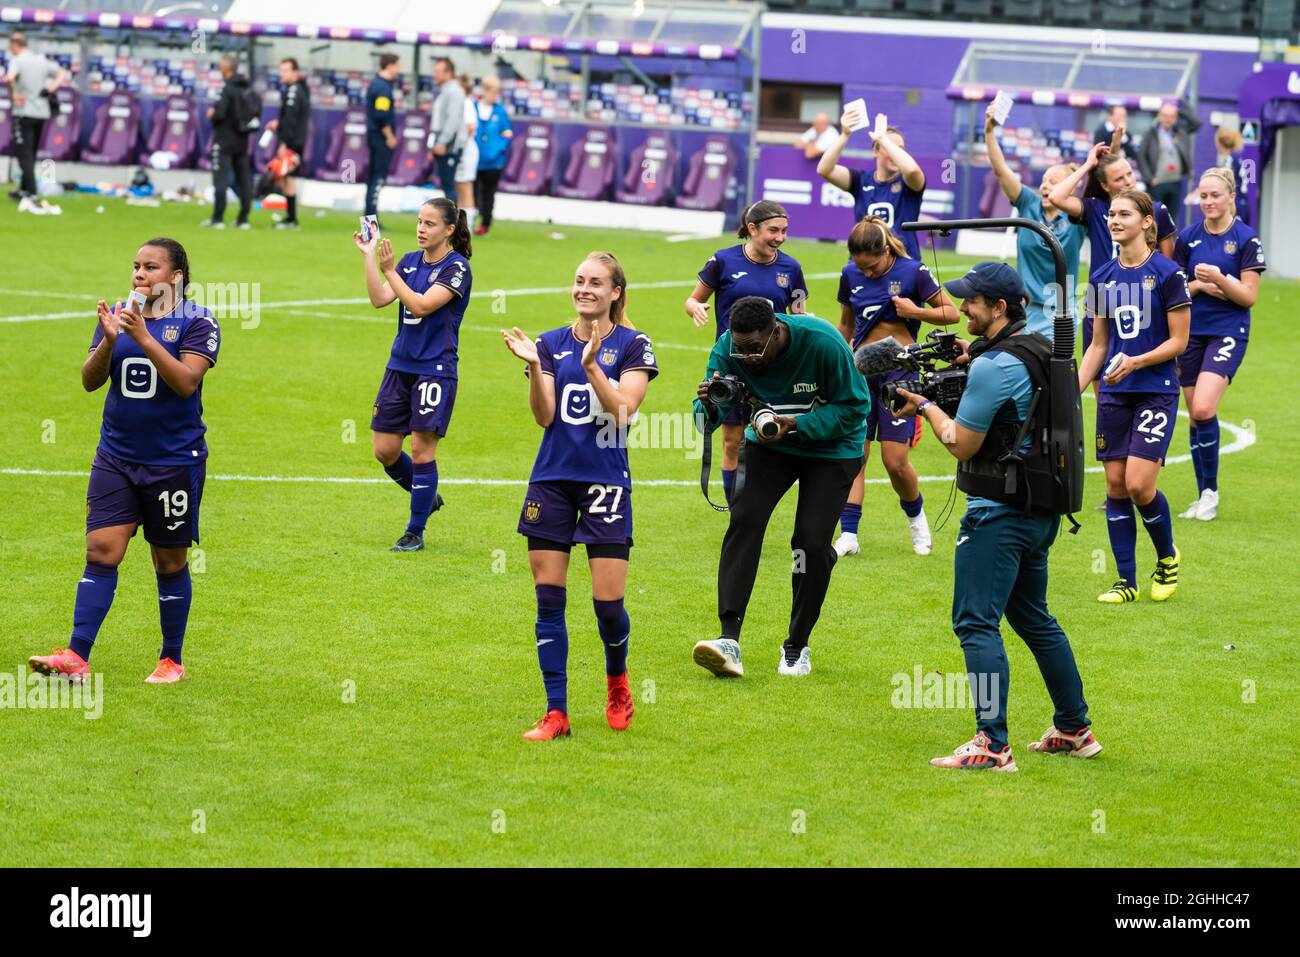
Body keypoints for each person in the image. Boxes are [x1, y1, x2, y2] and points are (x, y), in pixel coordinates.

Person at [890, 262, 1099, 772]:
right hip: (1039, 510)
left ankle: (992, 743)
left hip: (997, 515)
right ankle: (1074, 728)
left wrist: (923, 407)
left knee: (974, 622)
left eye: (971, 302)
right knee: (1033, 618)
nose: (960, 308)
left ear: (999, 308)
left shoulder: (992, 366)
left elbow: (961, 444)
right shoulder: (1043, 349)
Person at [28, 238, 217, 686]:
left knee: (168, 562)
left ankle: (172, 660)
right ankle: (76, 657)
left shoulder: (197, 321)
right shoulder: (118, 315)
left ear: (175, 277)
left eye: (150, 267)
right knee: (101, 552)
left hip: (173, 462)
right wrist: (109, 342)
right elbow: (90, 382)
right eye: (135, 266)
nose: (138, 274)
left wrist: (143, 337)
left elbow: (187, 382)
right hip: (115, 457)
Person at [502, 252, 658, 741]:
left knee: (608, 605)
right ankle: (556, 712)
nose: (584, 289)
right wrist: (533, 369)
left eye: (596, 282)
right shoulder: (548, 343)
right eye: (578, 281)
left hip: (606, 484)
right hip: (552, 481)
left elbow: (624, 413)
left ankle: (617, 682)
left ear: (615, 292)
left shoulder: (634, 345)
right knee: (548, 601)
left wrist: (592, 368)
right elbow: (545, 416)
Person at [691, 297, 871, 678]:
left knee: (808, 543)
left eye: (755, 348)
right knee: (745, 521)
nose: (749, 357)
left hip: (834, 448)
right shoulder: (728, 348)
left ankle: (796, 645)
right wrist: (707, 406)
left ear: (776, 331)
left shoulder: (823, 342)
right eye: (741, 349)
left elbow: (856, 407)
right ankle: (729, 639)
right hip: (771, 444)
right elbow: (708, 413)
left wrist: (798, 424)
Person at [1079, 190, 1190, 604]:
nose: (1114, 219)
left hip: (1155, 390)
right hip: (1114, 389)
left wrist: (1138, 361)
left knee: (1140, 485)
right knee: (1114, 485)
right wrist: (1071, 390)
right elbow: (1097, 345)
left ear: (1147, 222)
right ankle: (1126, 581)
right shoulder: (1101, 276)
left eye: (1124, 213)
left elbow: (1179, 341)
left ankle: (1166, 556)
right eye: (1110, 213)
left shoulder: (1168, 273)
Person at [833, 215, 958, 559]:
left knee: (895, 461)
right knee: (854, 455)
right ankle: (848, 535)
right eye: (863, 268)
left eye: (873, 267)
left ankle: (917, 520)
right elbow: (846, 324)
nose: (868, 274)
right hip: (860, 373)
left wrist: (916, 312)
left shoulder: (912, 271)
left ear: (886, 250)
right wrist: (836, 361)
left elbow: (952, 313)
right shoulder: (850, 273)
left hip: (899, 372)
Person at [355, 197, 472, 551]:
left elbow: (421, 305)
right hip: (399, 365)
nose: (421, 229)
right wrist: (369, 255)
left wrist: (391, 271)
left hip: (435, 370)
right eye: (420, 222)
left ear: (449, 230)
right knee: (385, 450)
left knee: (422, 451)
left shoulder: (458, 268)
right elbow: (379, 299)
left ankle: (414, 531)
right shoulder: (407, 261)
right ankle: (427, 495)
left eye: (430, 223)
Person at [685, 200, 808, 506]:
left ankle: (758, 499)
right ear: (752, 229)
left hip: (775, 366)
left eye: (784, 231)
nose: (780, 237)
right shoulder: (723, 261)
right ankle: (736, 509)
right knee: (732, 441)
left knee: (772, 436)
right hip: (732, 366)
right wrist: (696, 308)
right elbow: (692, 299)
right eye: (773, 230)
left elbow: (799, 316)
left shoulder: (791, 268)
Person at [1048, 141, 1177, 400]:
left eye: (1130, 173)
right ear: (1106, 186)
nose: (1128, 181)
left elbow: (1170, 262)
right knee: (1104, 394)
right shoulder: (1097, 209)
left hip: (1142, 304)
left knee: (1140, 382)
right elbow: (1056, 197)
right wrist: (1088, 164)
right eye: (1119, 178)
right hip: (1101, 301)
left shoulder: (1156, 210)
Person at [1173, 167, 1265, 522]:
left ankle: (1210, 492)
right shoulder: (1188, 237)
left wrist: (1221, 279)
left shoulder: (1245, 238)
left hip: (1227, 331)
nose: (1208, 202)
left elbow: (1248, 297)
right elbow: (1176, 287)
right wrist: (1197, 286)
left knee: (1202, 410)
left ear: (1230, 197)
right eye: (1203, 196)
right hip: (1190, 333)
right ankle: (1203, 495)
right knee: (1195, 418)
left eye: (1215, 195)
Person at [983, 102, 1084, 337]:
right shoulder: (1029, 203)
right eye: (1044, 180)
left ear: (1070, 189)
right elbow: (1001, 170)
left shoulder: (1077, 216)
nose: (1045, 186)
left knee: (1051, 371)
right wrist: (989, 131)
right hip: (1023, 311)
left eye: (1054, 182)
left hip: (1060, 313)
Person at [817, 107, 926, 260]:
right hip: (865, 262)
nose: (896, 153)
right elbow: (824, 169)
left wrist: (883, 140)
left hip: (904, 264)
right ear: (875, 151)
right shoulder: (861, 180)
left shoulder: (909, 181)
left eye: (900, 149)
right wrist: (845, 135)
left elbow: (913, 171)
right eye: (890, 147)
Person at [4, 31, 66, 205]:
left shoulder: (18, 61)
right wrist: (50, 89)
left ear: (15, 45)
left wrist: (14, 95)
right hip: (41, 113)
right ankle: (24, 189)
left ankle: (31, 193)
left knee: (24, 154)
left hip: (24, 112)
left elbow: (9, 79)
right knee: (31, 152)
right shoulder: (40, 60)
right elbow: (62, 73)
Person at [201, 54, 254, 230]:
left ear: (225, 68)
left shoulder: (225, 88)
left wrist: (212, 114)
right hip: (242, 140)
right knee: (244, 179)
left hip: (223, 139)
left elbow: (220, 113)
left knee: (220, 179)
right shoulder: (247, 88)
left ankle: (218, 218)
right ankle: (243, 219)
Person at [1138, 102, 1202, 230]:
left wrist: (1179, 110)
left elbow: (1197, 123)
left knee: (1171, 218)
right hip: (1157, 183)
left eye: (1172, 116)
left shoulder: (1180, 131)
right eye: (1165, 115)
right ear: (1159, 116)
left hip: (1175, 181)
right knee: (1154, 218)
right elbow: (1141, 156)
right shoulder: (1151, 133)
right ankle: (1152, 246)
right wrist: (1148, 178)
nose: (1168, 119)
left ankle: (1167, 247)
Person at [264, 57, 310, 230]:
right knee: (287, 177)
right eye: (281, 70)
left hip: (292, 142)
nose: (281, 74)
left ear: (295, 72)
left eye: (285, 70)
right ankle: (290, 217)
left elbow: (291, 121)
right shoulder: (299, 89)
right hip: (296, 140)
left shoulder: (293, 91)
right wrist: (279, 123)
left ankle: (291, 219)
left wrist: (284, 143)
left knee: (288, 177)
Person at [472, 74, 512, 237]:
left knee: (488, 194)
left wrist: (498, 150)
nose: (495, 96)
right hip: (474, 160)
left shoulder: (500, 111)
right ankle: (469, 222)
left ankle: (485, 224)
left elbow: (507, 133)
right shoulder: (473, 107)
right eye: (493, 92)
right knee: (472, 193)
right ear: (485, 90)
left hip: (494, 163)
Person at [363, 53, 400, 227]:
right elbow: (381, 115)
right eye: (397, 66)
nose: (399, 70)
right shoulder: (383, 88)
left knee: (373, 180)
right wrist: (390, 136)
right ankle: (370, 224)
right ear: (390, 65)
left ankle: (369, 221)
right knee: (377, 180)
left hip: (374, 137)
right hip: (380, 139)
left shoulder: (376, 84)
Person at [428, 57, 465, 199]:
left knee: (449, 188)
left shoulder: (455, 91)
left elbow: (452, 120)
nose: (434, 74)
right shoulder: (445, 91)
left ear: (448, 73)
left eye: (438, 71)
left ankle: (454, 221)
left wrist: (442, 142)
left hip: (449, 146)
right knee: (446, 185)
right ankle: (368, 221)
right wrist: (433, 145)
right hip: (442, 145)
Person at [453, 74, 478, 233]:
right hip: (463, 150)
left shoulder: (466, 103)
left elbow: (471, 126)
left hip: (466, 151)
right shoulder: (463, 103)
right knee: (460, 188)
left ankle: (467, 227)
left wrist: (459, 144)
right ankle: (462, 225)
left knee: (465, 187)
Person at [1213, 128, 1251, 225]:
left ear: (1219, 144)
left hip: (1235, 205)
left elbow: (1224, 185)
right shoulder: (1237, 158)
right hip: (1243, 203)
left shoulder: (1230, 161)